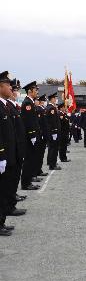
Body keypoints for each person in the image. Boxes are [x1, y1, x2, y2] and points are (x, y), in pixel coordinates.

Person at [0, 71, 19, 235]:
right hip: (2, 155)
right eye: (8, 85)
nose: (11, 89)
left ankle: (1, 222)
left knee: (4, 189)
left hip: (8, 155)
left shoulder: (4, 105)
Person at [7, 79, 27, 207]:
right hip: (11, 149)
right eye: (15, 90)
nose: (17, 93)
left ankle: (13, 196)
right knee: (9, 178)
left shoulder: (13, 106)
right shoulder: (7, 107)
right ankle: (10, 202)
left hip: (17, 147)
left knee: (14, 176)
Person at [20, 81, 42, 190]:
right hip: (30, 137)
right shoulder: (27, 103)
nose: (37, 92)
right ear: (30, 91)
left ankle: (28, 181)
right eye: (35, 90)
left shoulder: (30, 102)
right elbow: (28, 121)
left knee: (32, 158)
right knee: (28, 159)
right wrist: (32, 134)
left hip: (32, 135)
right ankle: (26, 183)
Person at [46, 92, 61, 170]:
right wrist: (54, 131)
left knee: (52, 148)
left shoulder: (50, 107)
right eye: (55, 98)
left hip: (52, 132)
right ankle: (52, 165)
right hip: (53, 132)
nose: (56, 100)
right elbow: (52, 121)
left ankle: (52, 162)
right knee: (53, 148)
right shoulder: (51, 108)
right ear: (52, 99)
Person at [35, 94, 48, 179]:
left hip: (43, 134)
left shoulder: (43, 109)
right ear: (41, 101)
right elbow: (40, 123)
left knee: (41, 155)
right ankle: (36, 171)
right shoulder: (39, 109)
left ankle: (39, 170)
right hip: (41, 134)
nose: (44, 102)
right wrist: (42, 133)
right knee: (38, 155)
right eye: (43, 100)